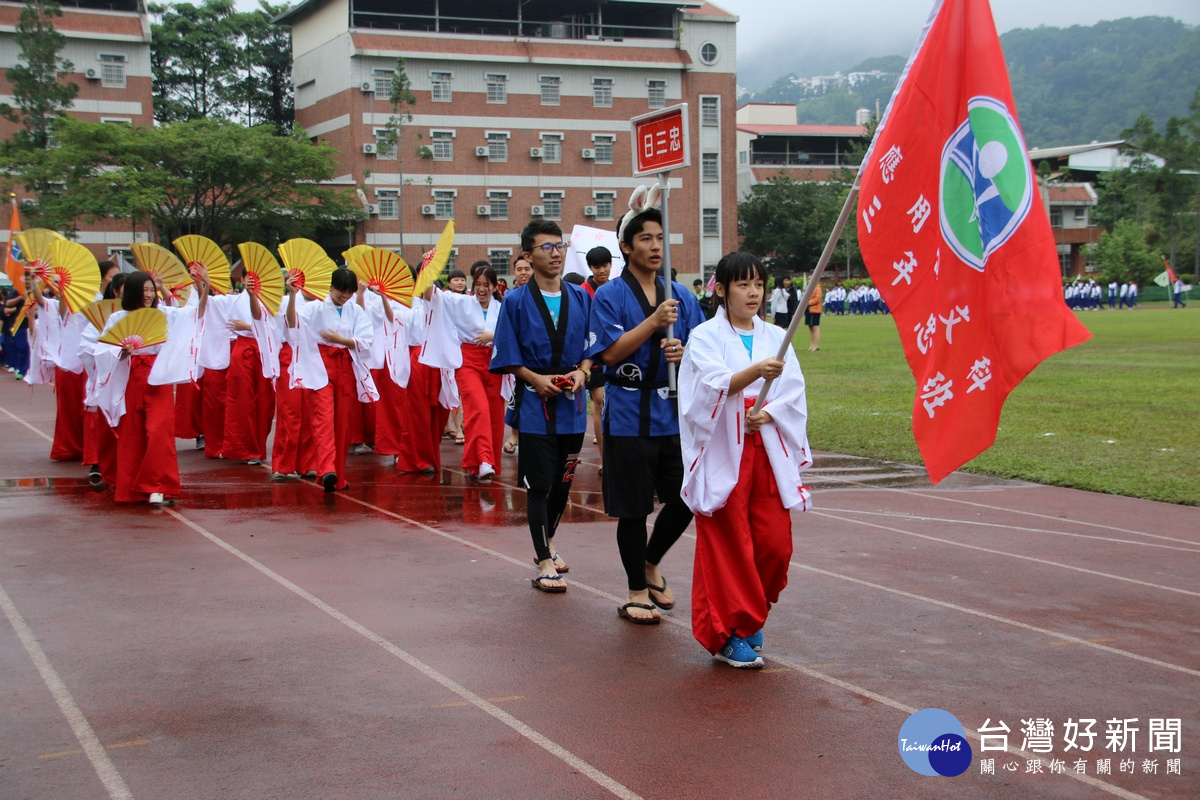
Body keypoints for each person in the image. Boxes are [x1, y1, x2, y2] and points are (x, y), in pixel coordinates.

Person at [678, 250, 812, 668]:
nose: (753, 293)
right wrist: (756, 376)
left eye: (759, 284)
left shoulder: (777, 336)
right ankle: (731, 631)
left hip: (766, 448)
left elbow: (793, 388)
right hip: (724, 453)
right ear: (721, 289)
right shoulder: (704, 336)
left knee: (774, 543)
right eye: (743, 284)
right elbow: (712, 386)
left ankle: (752, 610)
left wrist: (767, 413)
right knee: (729, 540)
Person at [586, 185, 705, 624]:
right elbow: (611, 353)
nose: (655, 246)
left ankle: (651, 561)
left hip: (674, 415)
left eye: (660, 238)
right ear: (626, 246)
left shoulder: (682, 295)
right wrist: (654, 323)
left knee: (687, 499)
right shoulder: (610, 296)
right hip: (627, 411)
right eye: (645, 239)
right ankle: (637, 591)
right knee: (634, 509)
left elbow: (702, 349)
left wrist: (683, 353)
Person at [491, 220, 592, 592]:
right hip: (536, 403)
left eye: (559, 245)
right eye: (546, 247)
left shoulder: (580, 296)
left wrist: (583, 372)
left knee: (563, 483)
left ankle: (549, 540)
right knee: (539, 484)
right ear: (528, 255)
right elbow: (506, 353)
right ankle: (543, 559)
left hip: (572, 403)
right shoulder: (516, 301)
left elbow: (590, 348)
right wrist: (536, 379)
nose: (555, 253)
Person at [95, 270, 207, 504]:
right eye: (143, 290)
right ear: (134, 291)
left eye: (150, 290)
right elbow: (103, 349)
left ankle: (159, 486)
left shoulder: (164, 313)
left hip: (157, 377)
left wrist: (202, 285)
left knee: (159, 432)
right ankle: (132, 488)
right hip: (129, 377)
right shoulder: (118, 318)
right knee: (131, 434)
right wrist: (120, 352)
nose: (148, 295)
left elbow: (195, 315)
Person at [285, 267, 377, 492]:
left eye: (349, 292)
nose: (345, 296)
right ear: (331, 287)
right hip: (320, 366)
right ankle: (326, 469)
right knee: (323, 417)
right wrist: (292, 295)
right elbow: (292, 323)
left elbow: (365, 339)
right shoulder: (315, 307)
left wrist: (340, 339)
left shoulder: (354, 310)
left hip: (345, 365)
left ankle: (338, 474)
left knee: (343, 423)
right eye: (341, 291)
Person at [438, 266, 505, 479]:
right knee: (479, 408)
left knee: (494, 414)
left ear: (494, 286)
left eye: (487, 285)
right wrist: (429, 269)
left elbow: (515, 332)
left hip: (495, 362)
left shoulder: (502, 307)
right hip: (468, 361)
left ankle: (480, 461)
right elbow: (433, 295)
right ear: (472, 285)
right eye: (478, 284)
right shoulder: (462, 302)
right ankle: (484, 459)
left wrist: (492, 336)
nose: (482, 289)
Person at [583, 247, 612, 459]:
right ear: (590, 268)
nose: (601, 270)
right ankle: (604, 458)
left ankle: (616, 457)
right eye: (596, 266)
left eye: (604, 265)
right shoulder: (583, 291)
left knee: (613, 404)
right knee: (600, 401)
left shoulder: (617, 288)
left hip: (617, 352)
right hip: (593, 354)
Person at [805, 278, 823, 352]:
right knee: (810, 327)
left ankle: (816, 345)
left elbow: (817, 299)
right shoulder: (809, 288)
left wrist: (807, 303)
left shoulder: (817, 288)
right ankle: (812, 344)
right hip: (809, 309)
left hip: (815, 310)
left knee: (815, 327)